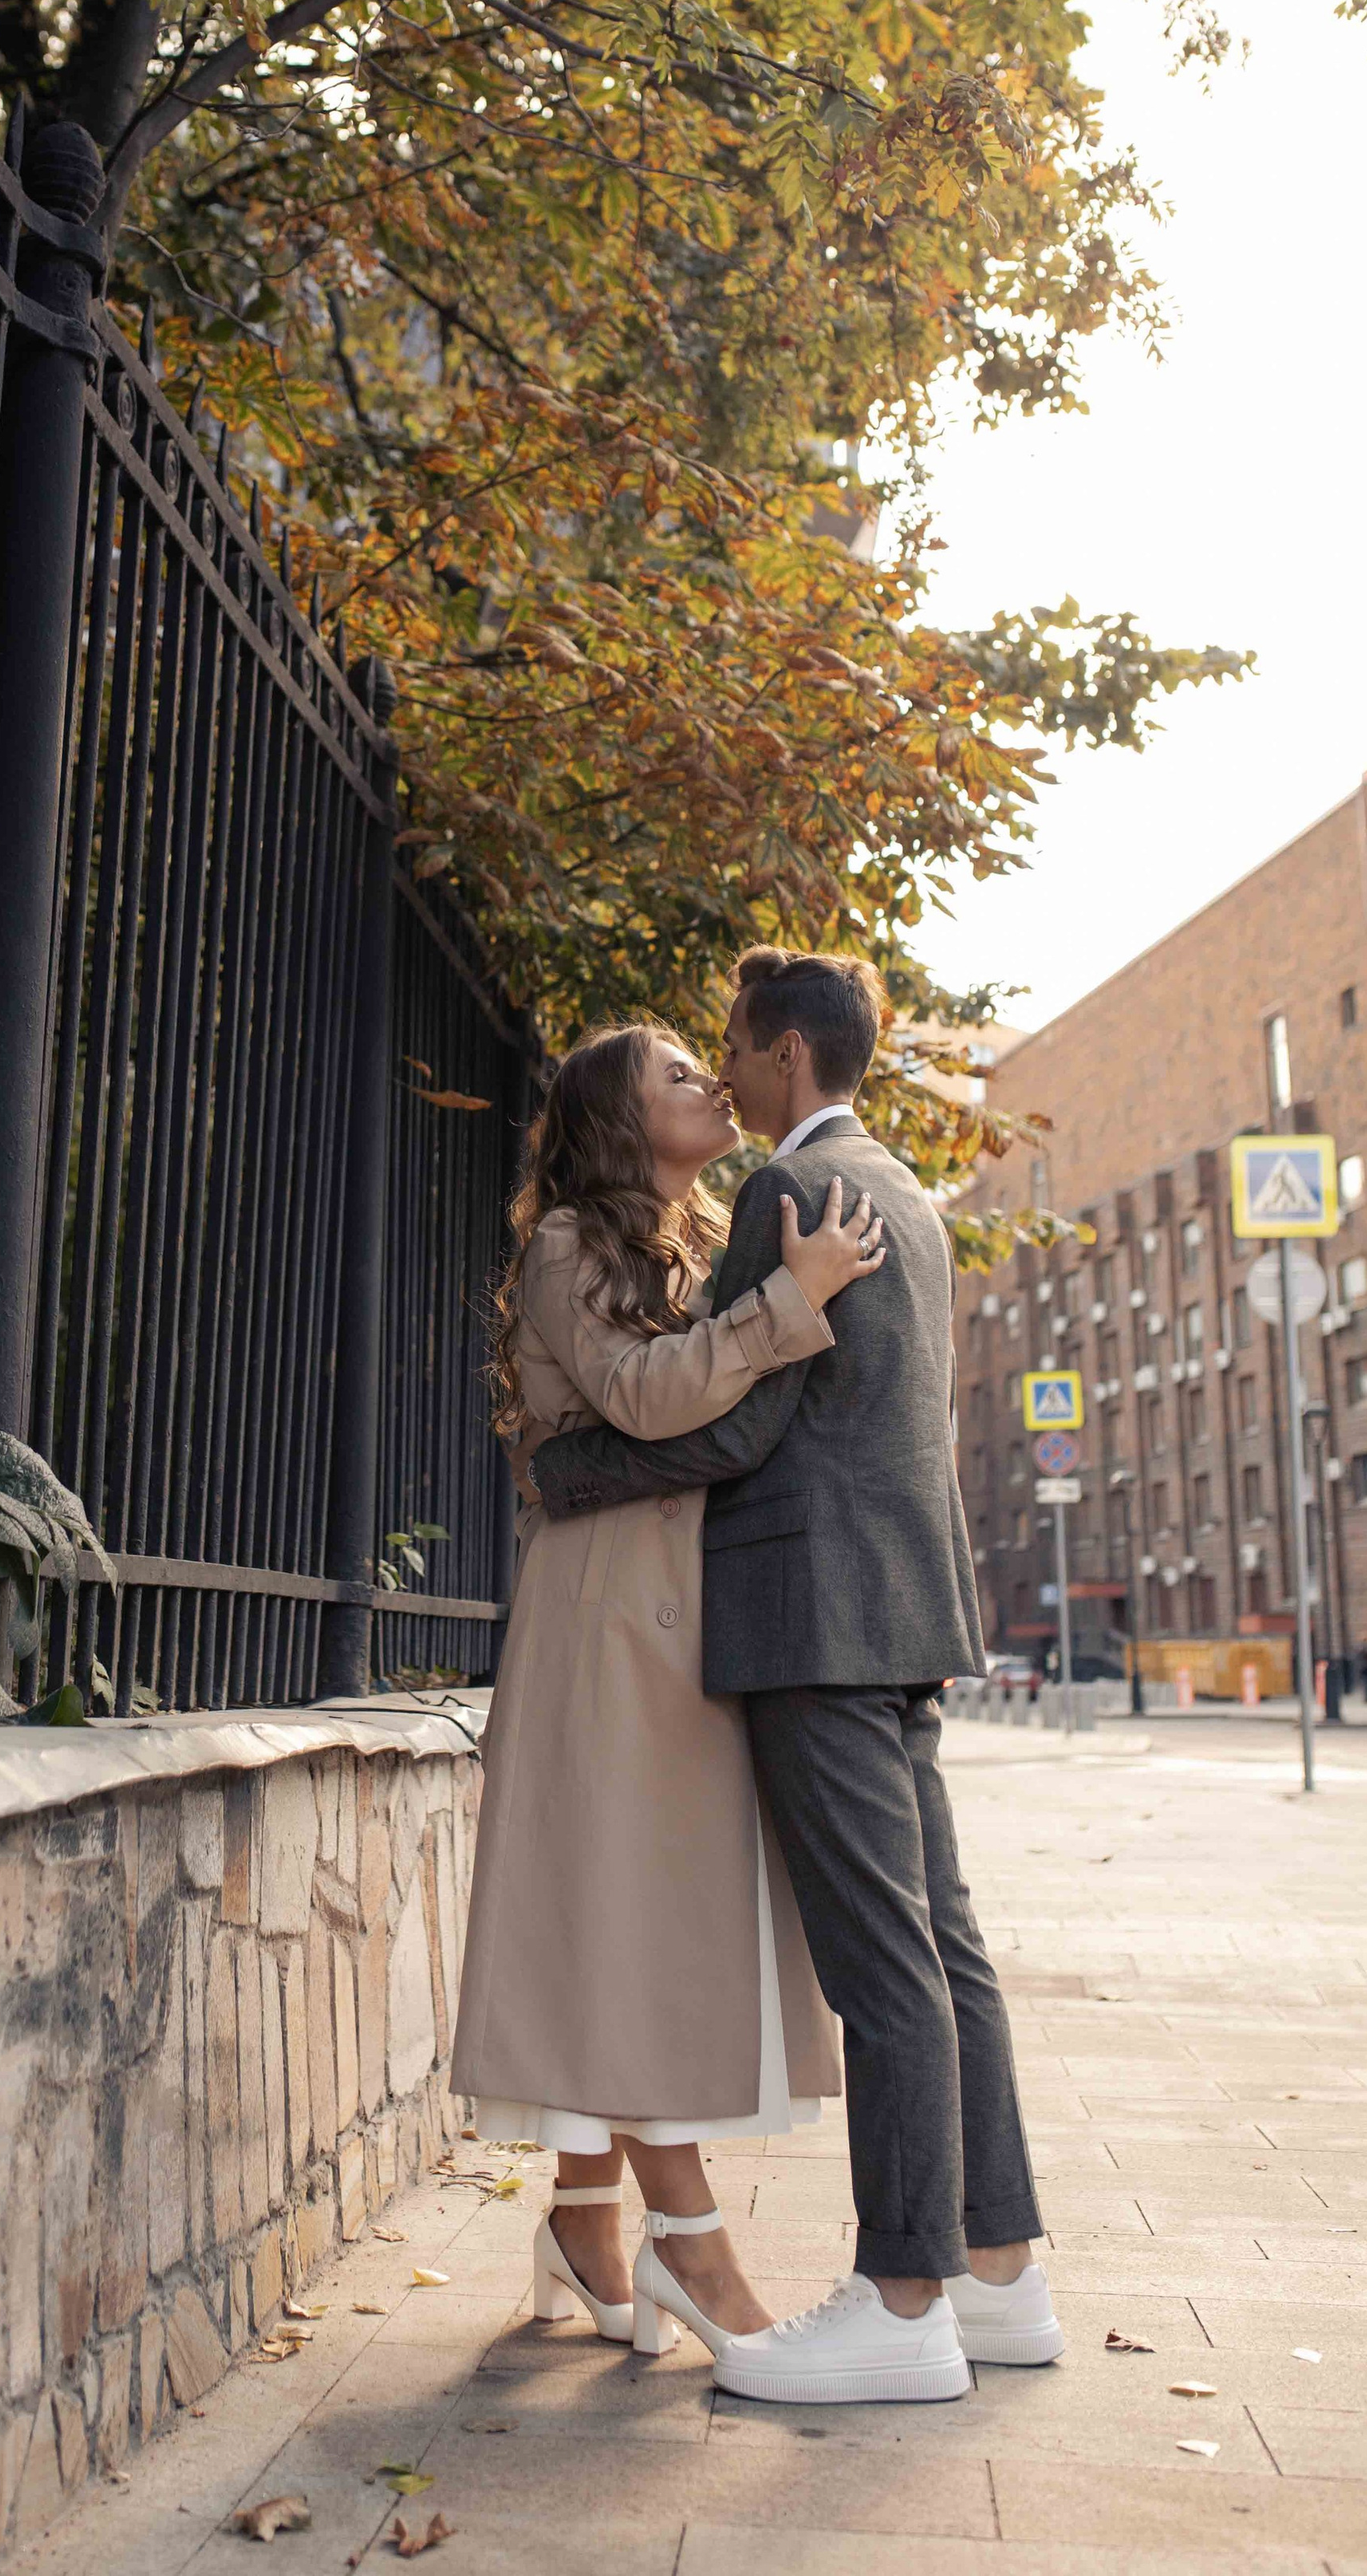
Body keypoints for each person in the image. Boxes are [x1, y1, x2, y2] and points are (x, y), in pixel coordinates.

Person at [533, 951, 1061, 2405]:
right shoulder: (906, 1190)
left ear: (780, 1055)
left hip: (814, 1617)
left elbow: (748, 1429)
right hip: (905, 1607)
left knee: (883, 1962)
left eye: (732, 1049)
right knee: (945, 1946)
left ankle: (902, 2303)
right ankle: (1001, 2275)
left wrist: (567, 1467)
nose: (723, 1069)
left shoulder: (786, 1193)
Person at [450, 1021, 885, 2356]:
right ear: (620, 1121)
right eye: (677, 1075)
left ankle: (586, 2219)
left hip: (674, 1610)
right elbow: (643, 1397)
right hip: (606, 1624)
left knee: (629, 1918)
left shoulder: (690, 1240)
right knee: (629, 1921)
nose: (708, 1082)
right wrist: (788, 1298)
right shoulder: (572, 1244)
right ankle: (690, 2249)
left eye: (711, 1064)